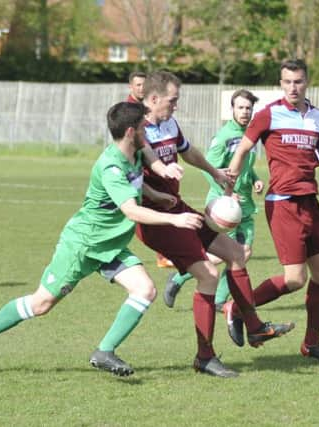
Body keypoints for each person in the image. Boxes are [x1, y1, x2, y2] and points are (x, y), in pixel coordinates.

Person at [0, 102, 203, 377]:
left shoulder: (135, 155)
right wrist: (175, 219)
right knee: (41, 304)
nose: (146, 134)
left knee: (145, 290)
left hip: (111, 246)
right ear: (130, 132)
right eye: (142, 129)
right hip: (83, 245)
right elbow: (130, 210)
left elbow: (135, 182)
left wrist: (156, 194)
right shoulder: (110, 165)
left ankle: (104, 351)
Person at [136, 71, 295, 378]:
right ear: (153, 99)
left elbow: (189, 151)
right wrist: (157, 194)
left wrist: (215, 171)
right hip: (158, 220)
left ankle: (255, 327)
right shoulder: (136, 131)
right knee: (209, 275)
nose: (176, 106)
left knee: (236, 253)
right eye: (173, 100)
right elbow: (129, 179)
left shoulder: (168, 123)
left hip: (177, 209)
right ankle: (205, 356)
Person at [225, 59, 319, 364]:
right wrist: (229, 190)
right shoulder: (269, 114)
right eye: (286, 82)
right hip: (283, 203)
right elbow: (243, 149)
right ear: (281, 83)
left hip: (310, 202)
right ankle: (237, 306)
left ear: (307, 82)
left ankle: (312, 343)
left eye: (297, 81)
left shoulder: (317, 117)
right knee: (295, 278)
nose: (292, 87)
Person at [163, 89, 263, 312]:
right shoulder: (223, 137)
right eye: (240, 107)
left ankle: (219, 299)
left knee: (243, 254)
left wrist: (255, 179)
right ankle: (180, 279)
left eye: (248, 108)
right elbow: (208, 169)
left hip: (245, 206)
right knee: (227, 255)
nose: (245, 111)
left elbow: (246, 165)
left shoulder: (249, 135)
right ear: (232, 109)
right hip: (224, 206)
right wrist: (226, 191)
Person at [126, 71, 174, 268]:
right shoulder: (129, 111)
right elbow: (141, 146)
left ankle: (164, 255)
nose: (141, 88)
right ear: (131, 87)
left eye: (143, 85)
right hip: (140, 180)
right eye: (137, 85)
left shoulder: (157, 114)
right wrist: (160, 167)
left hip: (156, 184)